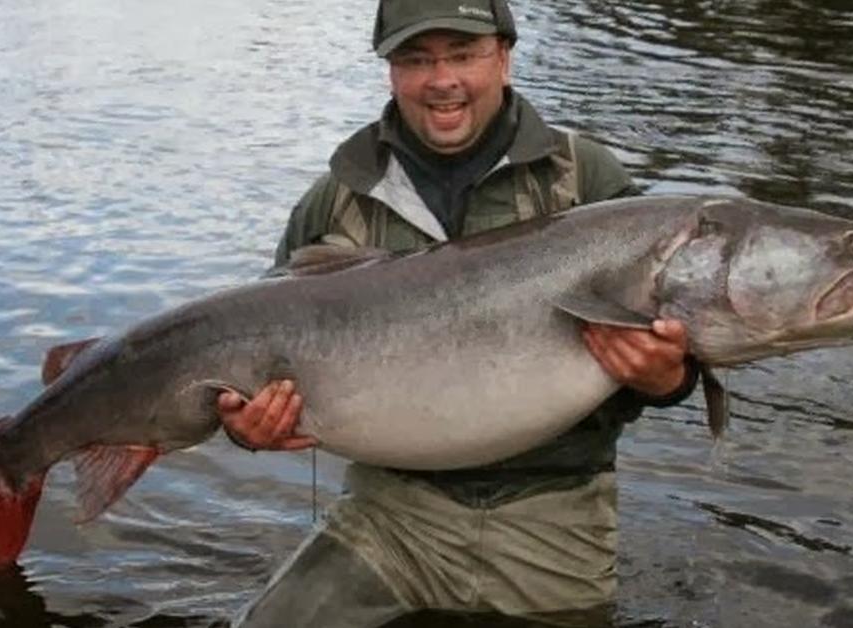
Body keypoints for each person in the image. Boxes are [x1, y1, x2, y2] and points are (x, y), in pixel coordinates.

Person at [219, 1, 698, 626]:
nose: (441, 80)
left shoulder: (586, 180)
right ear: (390, 70)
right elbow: (246, 361)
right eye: (417, 59)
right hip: (387, 513)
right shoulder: (338, 199)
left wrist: (668, 379)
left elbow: (682, 357)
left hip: (554, 522)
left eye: (463, 55)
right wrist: (245, 428)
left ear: (503, 56)